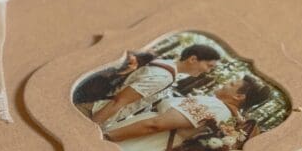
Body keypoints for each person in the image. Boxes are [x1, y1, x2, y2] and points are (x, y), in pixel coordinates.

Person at [105, 75, 271, 151]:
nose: (225, 84)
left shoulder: (215, 106)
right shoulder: (229, 118)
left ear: (239, 97)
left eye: (232, 84)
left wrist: (106, 137)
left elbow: (155, 124)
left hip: (132, 149)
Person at [92, 43, 221, 130]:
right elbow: (119, 101)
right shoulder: (163, 76)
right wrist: (91, 127)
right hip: (95, 112)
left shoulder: (166, 65)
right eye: (209, 66)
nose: (208, 71)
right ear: (192, 59)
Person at [72, 51, 155, 106]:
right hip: (92, 86)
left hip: (94, 87)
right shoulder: (128, 60)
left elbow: (110, 79)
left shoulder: (132, 68)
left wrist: (125, 71)